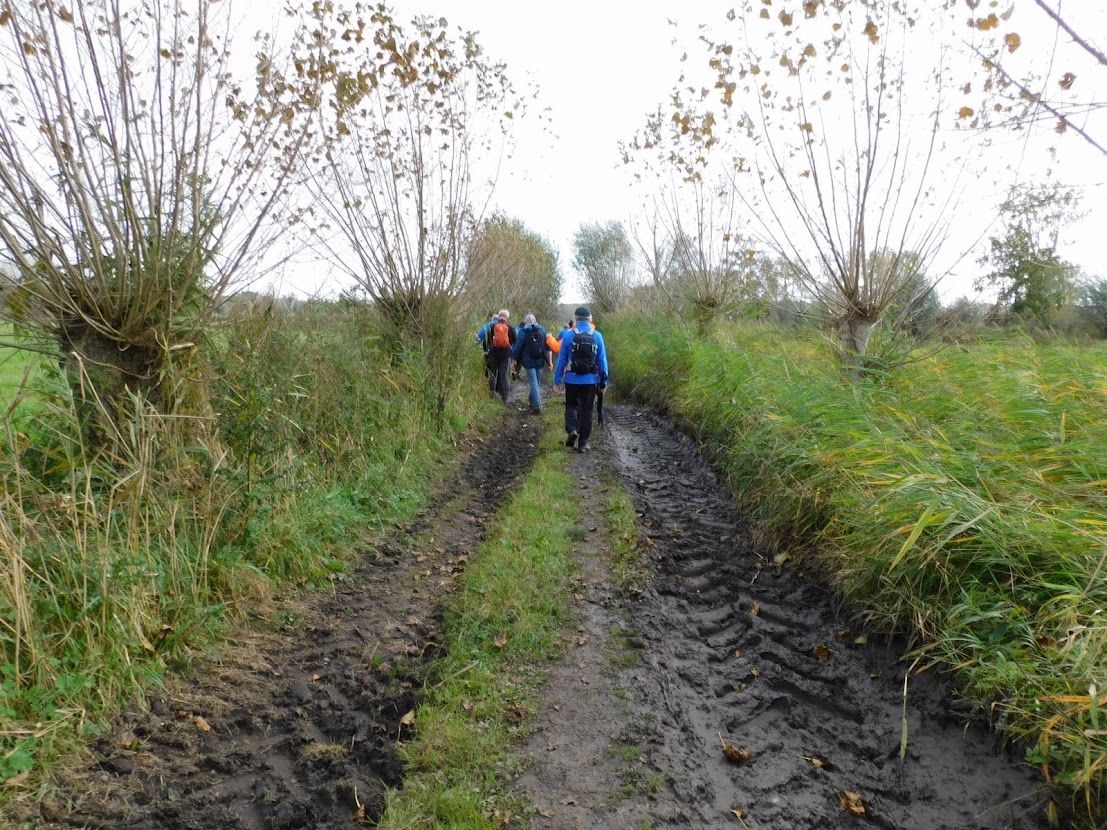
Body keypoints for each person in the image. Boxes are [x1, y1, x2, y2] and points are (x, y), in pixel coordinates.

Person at [553, 306, 608, 453]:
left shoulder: (569, 335)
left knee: (571, 406)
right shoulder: (597, 336)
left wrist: (557, 380)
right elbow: (602, 360)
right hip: (590, 380)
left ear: (575, 319)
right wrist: (603, 381)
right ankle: (583, 443)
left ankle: (572, 430)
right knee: (587, 410)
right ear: (590, 319)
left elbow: (562, 360)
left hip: (572, 379)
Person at [512, 313, 554, 414]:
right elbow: (548, 347)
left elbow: (518, 347)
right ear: (535, 321)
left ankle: (537, 405)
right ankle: (532, 402)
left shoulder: (523, 331)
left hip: (528, 360)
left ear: (526, 321)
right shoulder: (543, 330)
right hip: (540, 360)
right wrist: (550, 362)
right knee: (536, 382)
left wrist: (514, 360)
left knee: (533, 382)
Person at [482, 309, 516, 402]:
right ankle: (504, 397)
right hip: (506, 354)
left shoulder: (492, 326)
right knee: (504, 375)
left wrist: (486, 350)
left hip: (494, 353)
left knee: (492, 373)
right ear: (507, 317)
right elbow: (515, 341)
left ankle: (492, 394)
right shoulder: (510, 327)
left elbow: (487, 340)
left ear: (499, 316)